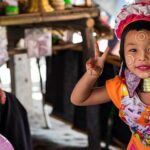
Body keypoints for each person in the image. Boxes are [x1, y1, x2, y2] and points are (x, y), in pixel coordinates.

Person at [71, 1, 150, 150]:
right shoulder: (122, 88)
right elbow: (79, 99)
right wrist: (91, 76)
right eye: (133, 50)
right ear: (123, 55)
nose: (142, 57)